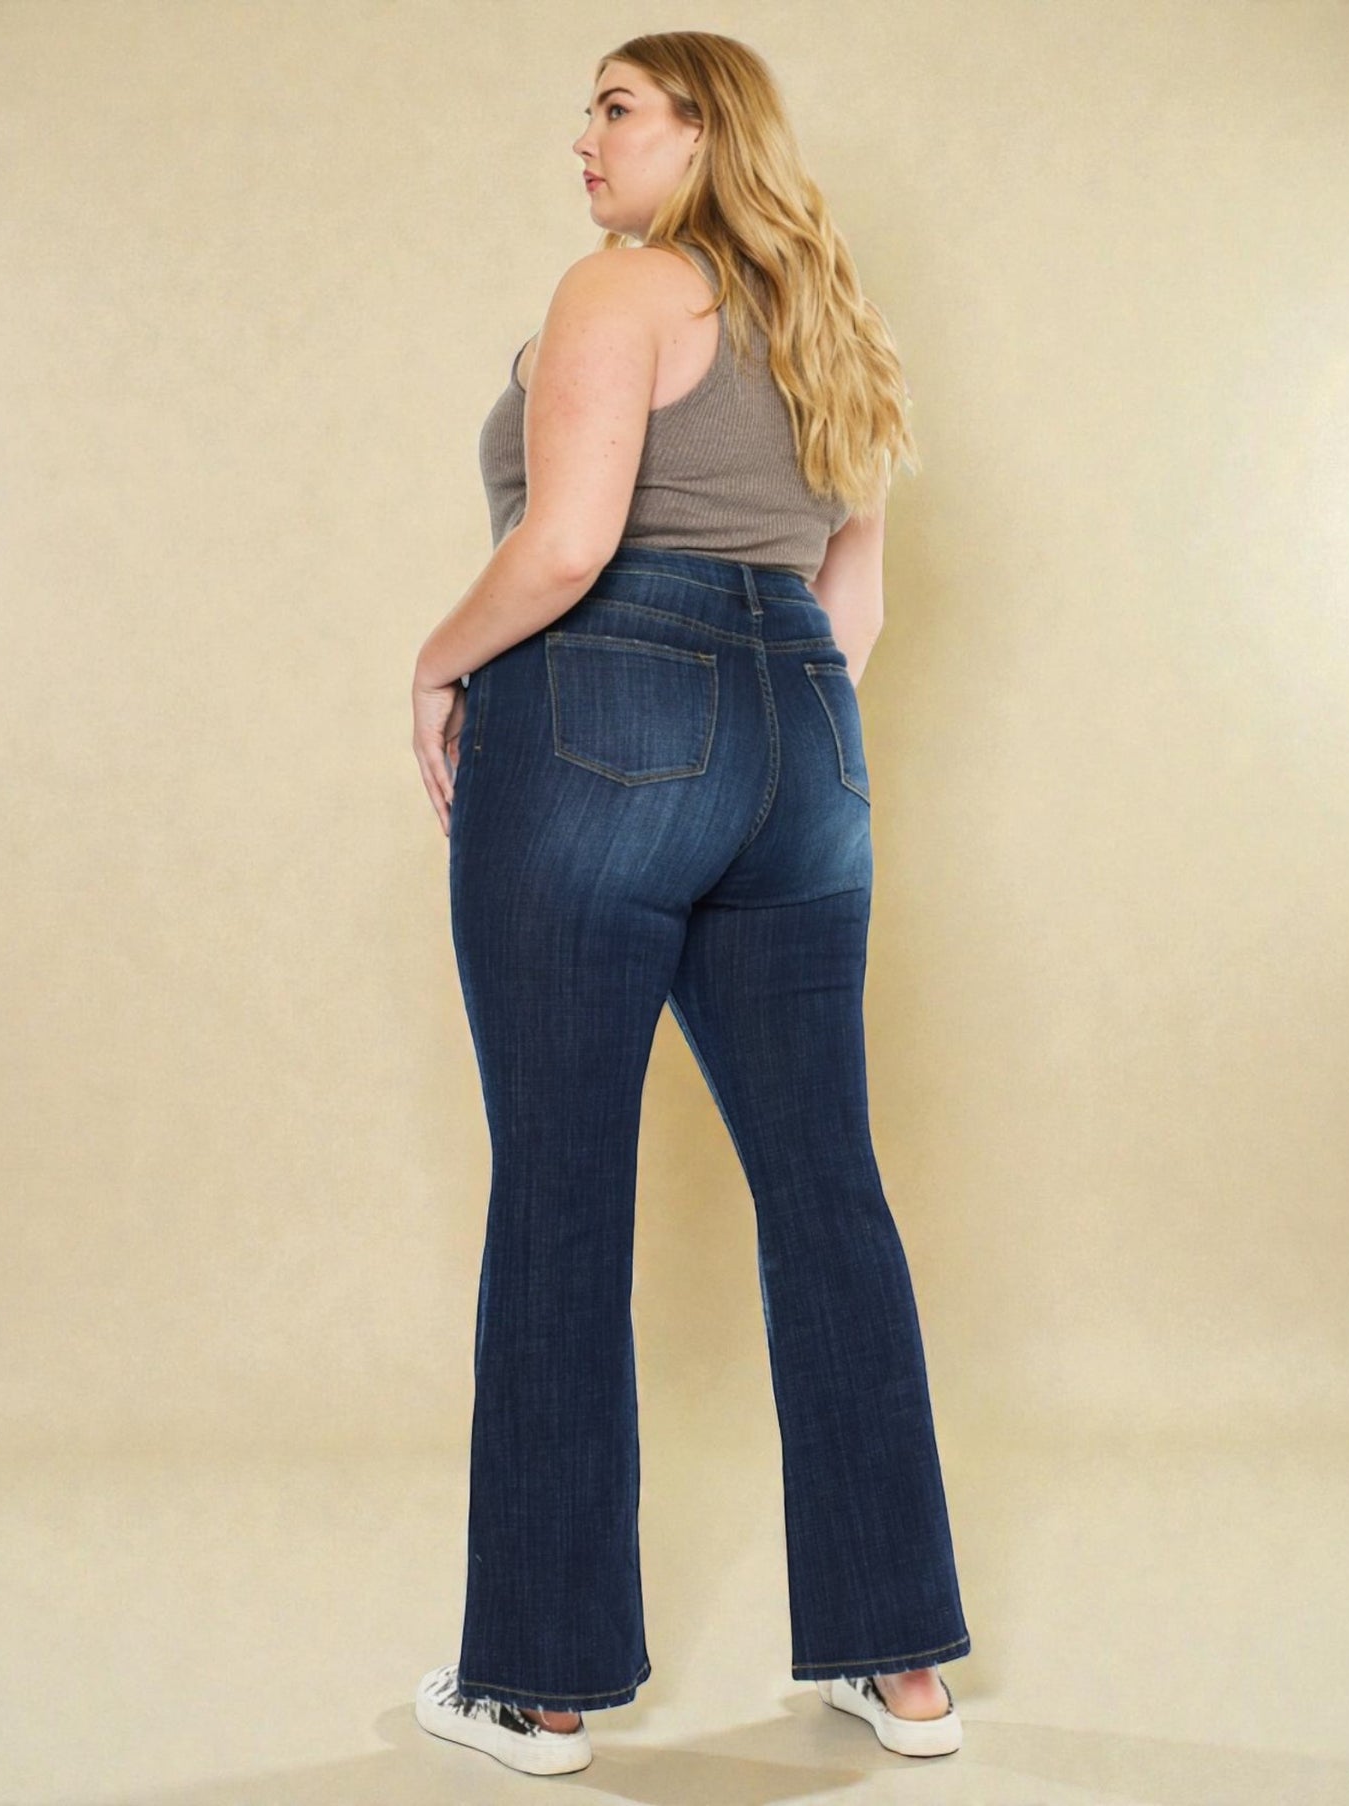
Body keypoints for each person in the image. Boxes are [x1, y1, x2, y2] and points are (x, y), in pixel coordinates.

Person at [410, 30, 971, 1779]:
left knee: (564, 1195)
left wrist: (434, 666)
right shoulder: (832, 325)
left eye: (617, 107)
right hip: (803, 737)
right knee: (826, 1191)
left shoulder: (622, 285)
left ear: (700, 132)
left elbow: (570, 540)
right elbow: (849, 612)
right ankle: (903, 1667)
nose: (581, 135)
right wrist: (763, 736)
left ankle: (543, 1685)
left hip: (601, 716)